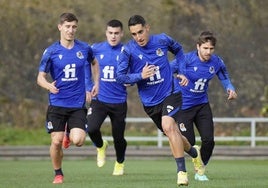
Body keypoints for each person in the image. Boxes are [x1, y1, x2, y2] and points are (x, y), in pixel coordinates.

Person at [116, 15, 201, 186]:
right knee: (173, 133)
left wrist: (182, 71)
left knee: (169, 126)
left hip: (171, 92)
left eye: (140, 31)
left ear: (147, 27)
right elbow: (120, 76)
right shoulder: (128, 51)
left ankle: (181, 173)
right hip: (150, 103)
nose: (138, 37)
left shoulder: (162, 40)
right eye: (134, 34)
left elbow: (179, 50)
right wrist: (140, 75)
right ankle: (194, 152)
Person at [37, 12, 99, 184]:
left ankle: (68, 134)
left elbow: (94, 63)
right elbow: (40, 77)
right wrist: (48, 85)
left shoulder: (84, 48)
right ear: (60, 27)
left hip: (77, 104)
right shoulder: (51, 52)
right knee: (56, 142)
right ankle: (58, 173)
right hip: (57, 103)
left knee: (78, 140)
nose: (71, 30)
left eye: (74, 27)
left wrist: (95, 84)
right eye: (67, 27)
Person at [171, 31, 237, 181]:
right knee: (190, 142)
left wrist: (230, 88)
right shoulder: (185, 60)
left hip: (202, 105)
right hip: (183, 106)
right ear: (198, 47)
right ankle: (195, 159)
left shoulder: (217, 62)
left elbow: (224, 76)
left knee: (209, 140)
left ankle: (200, 170)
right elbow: (167, 69)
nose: (208, 52)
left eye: (211, 49)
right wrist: (176, 78)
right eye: (205, 48)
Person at [86, 19, 127, 176]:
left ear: (122, 34)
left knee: (119, 138)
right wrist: (89, 87)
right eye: (110, 33)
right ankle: (101, 145)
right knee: (92, 128)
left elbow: (135, 71)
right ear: (106, 33)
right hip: (99, 99)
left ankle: (119, 163)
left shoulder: (127, 51)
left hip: (119, 102)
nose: (113, 36)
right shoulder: (95, 49)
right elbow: (84, 66)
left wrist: (131, 79)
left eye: (117, 33)